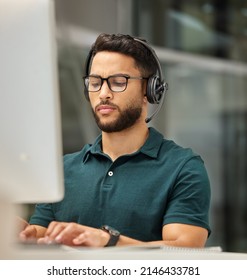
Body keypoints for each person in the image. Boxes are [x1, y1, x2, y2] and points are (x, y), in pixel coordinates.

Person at [19, 33, 211, 248]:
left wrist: (109, 241)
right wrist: (23, 233)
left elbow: (187, 249)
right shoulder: (62, 170)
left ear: (149, 90)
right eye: (94, 82)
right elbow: (42, 235)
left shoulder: (183, 168)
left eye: (118, 82)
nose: (103, 93)